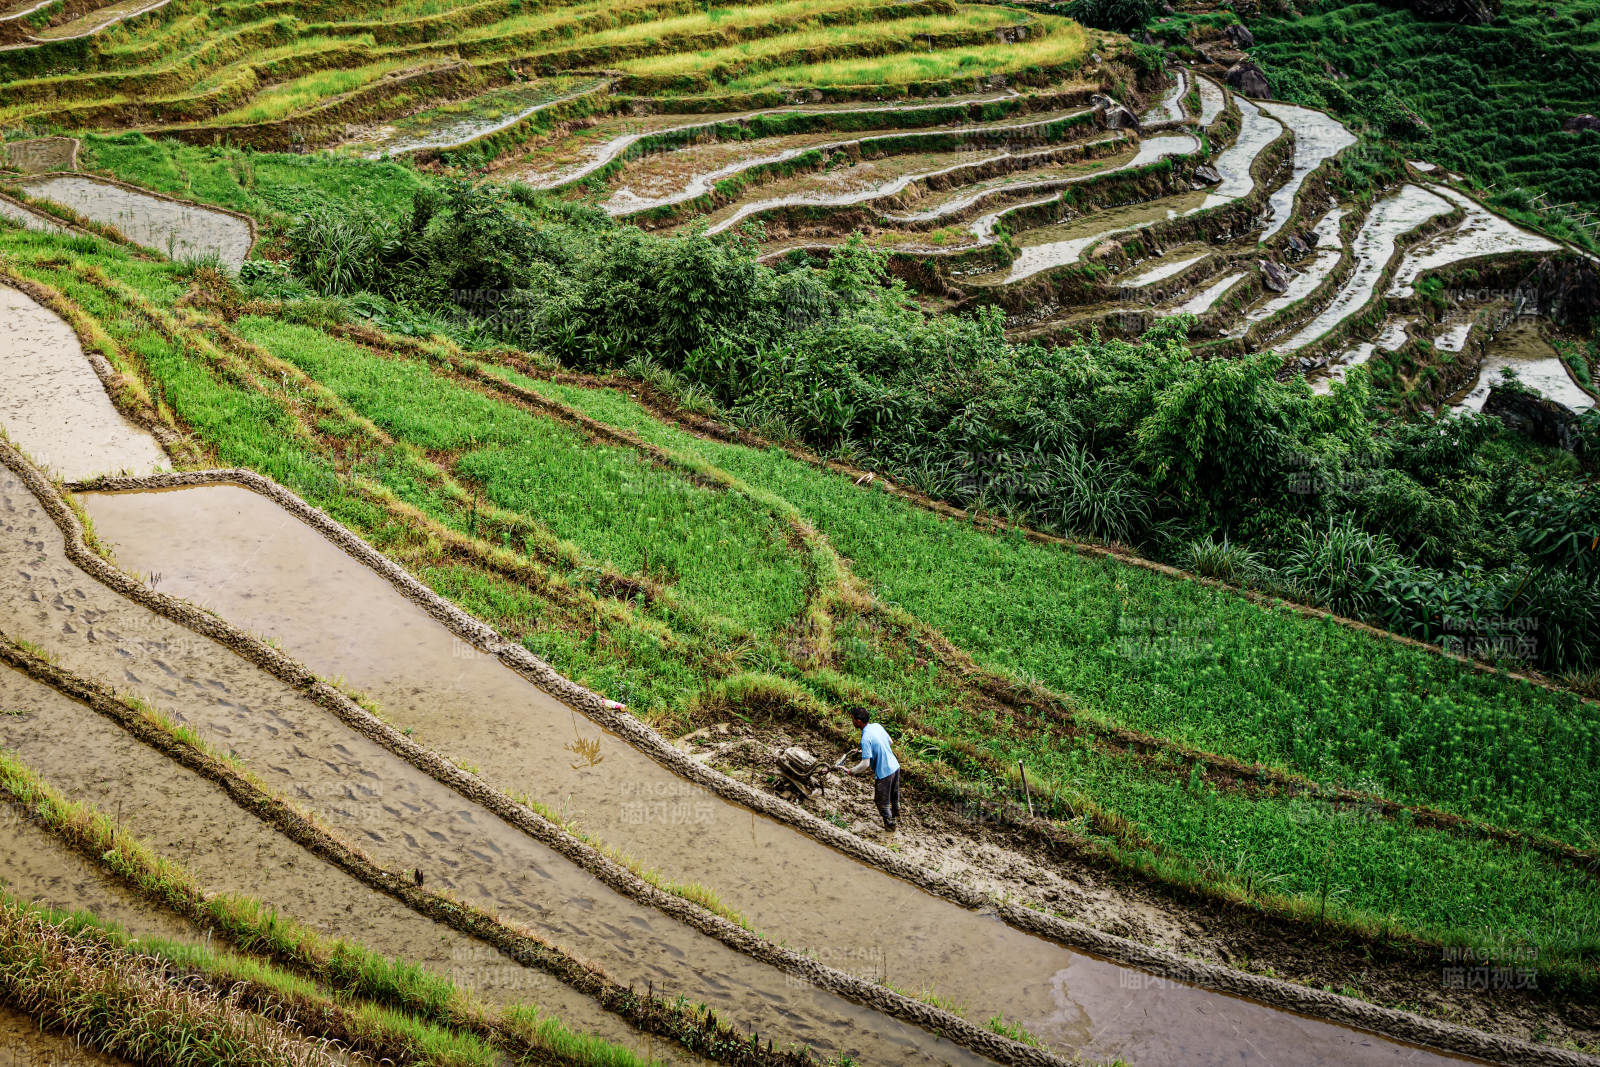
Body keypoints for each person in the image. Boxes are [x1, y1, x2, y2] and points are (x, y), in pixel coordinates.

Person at [843, 708, 901, 830]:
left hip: (884, 773)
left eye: (853, 719)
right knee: (894, 796)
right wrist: (871, 749)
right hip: (895, 766)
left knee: (882, 802)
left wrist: (852, 771)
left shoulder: (865, 739)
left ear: (858, 721)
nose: (852, 721)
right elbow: (890, 741)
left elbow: (865, 764)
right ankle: (897, 815)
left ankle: (891, 827)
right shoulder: (877, 726)